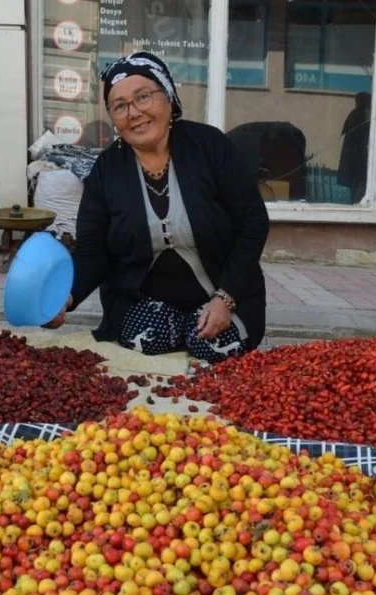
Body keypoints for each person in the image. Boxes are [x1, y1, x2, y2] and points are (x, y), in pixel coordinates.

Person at [44, 51, 270, 363]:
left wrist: (226, 297)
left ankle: (203, 322)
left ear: (168, 97)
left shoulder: (209, 146)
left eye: (143, 97)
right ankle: (178, 329)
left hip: (223, 296)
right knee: (143, 338)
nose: (134, 112)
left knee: (215, 346)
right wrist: (64, 298)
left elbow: (253, 222)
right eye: (120, 106)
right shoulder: (107, 171)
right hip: (147, 304)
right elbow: (92, 251)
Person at [338, 92, 371, 204]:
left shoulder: (360, 114)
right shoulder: (358, 115)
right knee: (357, 188)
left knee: (358, 188)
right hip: (356, 160)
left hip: (357, 161)